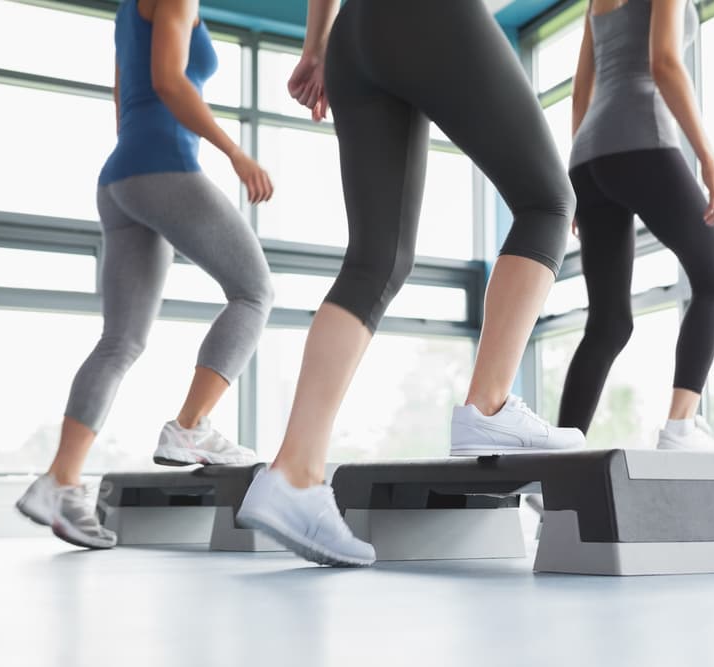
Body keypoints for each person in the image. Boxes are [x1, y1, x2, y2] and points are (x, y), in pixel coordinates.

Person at [236, 0, 585, 567]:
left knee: (376, 260)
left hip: (355, 33)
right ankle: (488, 409)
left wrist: (317, 45)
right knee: (549, 203)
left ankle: (293, 475)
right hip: (428, 15)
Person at [15, 0, 275, 549]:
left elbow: (124, 96)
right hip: (164, 164)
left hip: (121, 175)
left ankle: (59, 480)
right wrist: (235, 152)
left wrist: (143, 178)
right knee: (254, 292)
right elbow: (170, 82)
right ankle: (190, 427)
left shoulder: (128, 8)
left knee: (120, 341)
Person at [556, 0, 714, 450]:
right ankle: (680, 427)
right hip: (642, 140)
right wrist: (709, 160)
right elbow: (666, 63)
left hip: (588, 158)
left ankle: (555, 459)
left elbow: (582, 90)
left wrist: (574, 178)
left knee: (608, 322)